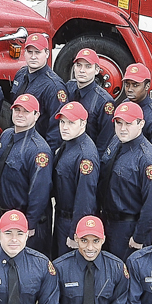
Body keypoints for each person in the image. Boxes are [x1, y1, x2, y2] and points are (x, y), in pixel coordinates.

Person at [98, 100, 152, 257]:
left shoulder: (148, 159)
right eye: (119, 123)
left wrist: (139, 236)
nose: (122, 128)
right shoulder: (116, 141)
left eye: (128, 123)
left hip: (128, 228)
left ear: (141, 124)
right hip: (107, 221)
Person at [0, 93, 54, 251]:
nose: (20, 114)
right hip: (5, 215)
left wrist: (30, 224)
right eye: (17, 110)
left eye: (26, 111)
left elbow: (40, 192)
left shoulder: (39, 150)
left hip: (26, 222)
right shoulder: (7, 135)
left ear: (36, 115)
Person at [50, 101, 102, 257]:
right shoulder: (68, 144)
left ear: (83, 123)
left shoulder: (85, 155)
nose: (65, 127)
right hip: (61, 216)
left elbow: (85, 199)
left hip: (71, 220)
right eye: (62, 122)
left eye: (71, 123)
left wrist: (76, 233)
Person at [57, 49, 114, 148]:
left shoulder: (104, 101)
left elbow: (105, 141)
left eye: (88, 66)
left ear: (97, 70)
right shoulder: (69, 87)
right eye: (78, 65)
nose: (82, 70)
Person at [11, 34, 66, 136]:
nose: (33, 57)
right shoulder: (20, 74)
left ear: (47, 53)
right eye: (30, 52)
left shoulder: (54, 86)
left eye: (37, 52)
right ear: (24, 53)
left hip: (37, 141)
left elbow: (56, 127)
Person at [119, 61, 152, 148]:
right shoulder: (125, 104)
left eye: (135, 85)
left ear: (147, 86)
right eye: (127, 84)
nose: (130, 89)